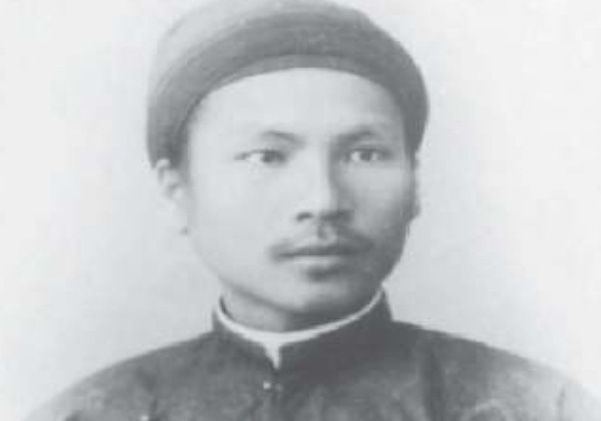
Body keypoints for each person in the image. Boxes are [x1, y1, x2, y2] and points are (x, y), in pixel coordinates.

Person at [27, 0, 599, 420]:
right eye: (267, 157)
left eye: (364, 153)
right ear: (178, 190)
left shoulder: (541, 407)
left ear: (416, 181)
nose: (323, 201)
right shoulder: (87, 414)